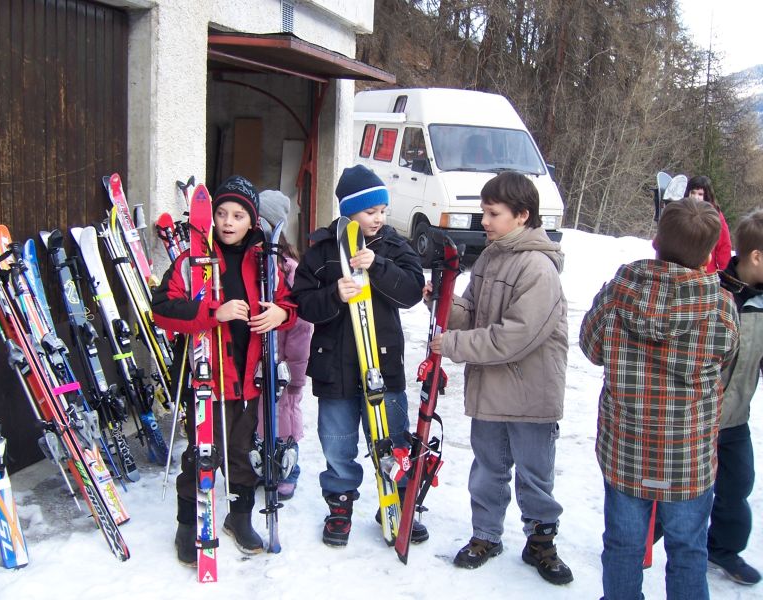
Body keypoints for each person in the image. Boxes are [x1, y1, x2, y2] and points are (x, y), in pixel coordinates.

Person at [579, 198, 739, 600]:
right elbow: (726, 357)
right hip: (688, 456)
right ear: (708, 256)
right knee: (688, 549)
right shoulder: (720, 306)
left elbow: (592, 347)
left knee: (623, 545)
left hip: (626, 450)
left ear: (655, 241)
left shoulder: (619, 291)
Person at [428, 171, 572, 585]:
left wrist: (453, 344)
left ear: (522, 215)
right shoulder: (491, 258)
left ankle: (541, 541)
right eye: (483, 212)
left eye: (493, 213)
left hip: (531, 393)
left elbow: (514, 337)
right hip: (491, 390)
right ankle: (486, 535)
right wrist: (444, 303)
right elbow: (473, 313)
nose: (484, 221)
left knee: (534, 472)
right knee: (488, 468)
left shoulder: (539, 269)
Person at [152, 175, 296, 565]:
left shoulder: (265, 260)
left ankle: (239, 517)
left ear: (253, 220)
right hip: (207, 380)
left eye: (238, 214)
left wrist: (281, 313)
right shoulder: (191, 261)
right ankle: (188, 525)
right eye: (221, 213)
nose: (228, 222)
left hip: (249, 381)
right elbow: (162, 310)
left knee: (242, 453)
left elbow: (287, 302)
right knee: (203, 454)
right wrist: (212, 313)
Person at [290, 164, 426, 547]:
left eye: (383, 210)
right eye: (371, 212)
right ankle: (340, 504)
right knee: (338, 440)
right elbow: (303, 303)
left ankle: (396, 501)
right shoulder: (321, 250)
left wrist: (378, 266)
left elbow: (413, 291)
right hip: (335, 366)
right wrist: (335, 294)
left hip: (383, 363)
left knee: (392, 437)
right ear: (349, 211)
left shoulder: (394, 245)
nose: (379, 218)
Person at [707, 209, 763, 585]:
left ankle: (723, 548)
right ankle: (637, 545)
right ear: (756, 256)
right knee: (678, 497)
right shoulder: (712, 292)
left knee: (738, 485)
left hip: (735, 420)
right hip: (694, 419)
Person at [255, 190, 313, 501]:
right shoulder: (252, 267)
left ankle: (289, 469)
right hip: (257, 363)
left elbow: (301, 328)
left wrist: (295, 373)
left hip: (284, 366)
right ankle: (263, 467)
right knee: (259, 420)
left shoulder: (289, 270)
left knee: (284, 416)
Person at [685, 175, 731, 273]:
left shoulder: (715, 216)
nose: (695, 197)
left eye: (700, 194)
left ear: (706, 196)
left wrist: (725, 274)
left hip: (706, 272)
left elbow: (724, 246)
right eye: (693, 193)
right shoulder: (681, 212)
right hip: (683, 269)